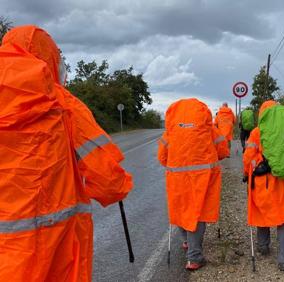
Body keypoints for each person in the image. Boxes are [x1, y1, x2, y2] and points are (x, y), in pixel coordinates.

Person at [0, 25, 133, 281]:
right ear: (48, 57)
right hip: (54, 250)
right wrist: (120, 186)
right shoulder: (65, 106)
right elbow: (108, 180)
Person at [157, 98, 229, 270]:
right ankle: (194, 257)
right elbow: (223, 151)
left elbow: (162, 157)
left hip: (177, 178)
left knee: (182, 209)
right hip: (203, 177)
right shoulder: (209, 130)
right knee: (197, 212)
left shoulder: (170, 132)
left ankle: (186, 241)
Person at [243, 100, 284, 271]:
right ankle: (283, 260)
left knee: (262, 212)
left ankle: (263, 247)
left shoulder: (258, 132)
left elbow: (248, 157)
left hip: (264, 182)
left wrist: (247, 173)